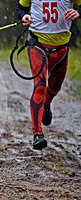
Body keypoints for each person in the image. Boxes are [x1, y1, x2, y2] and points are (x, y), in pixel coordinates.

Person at [16, 0, 81, 150]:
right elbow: (20, 9)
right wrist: (24, 16)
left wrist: (78, 13)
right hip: (37, 44)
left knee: (55, 87)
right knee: (40, 87)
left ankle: (46, 104)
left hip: (61, 48)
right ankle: (37, 134)